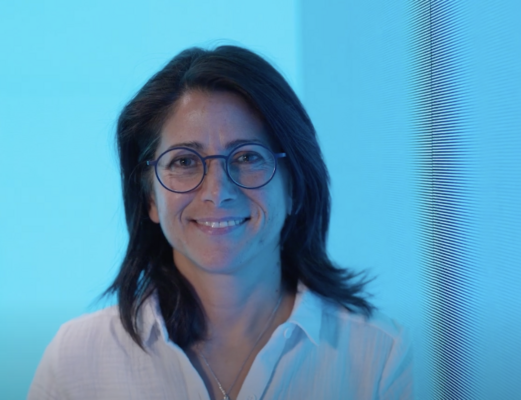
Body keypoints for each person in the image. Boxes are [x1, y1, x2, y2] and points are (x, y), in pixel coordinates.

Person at [28, 45, 413, 400]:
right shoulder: (76, 359)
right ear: (149, 198)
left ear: (294, 184)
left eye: (247, 157)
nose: (217, 191)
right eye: (183, 161)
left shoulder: (377, 357)